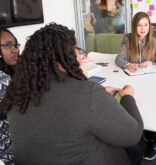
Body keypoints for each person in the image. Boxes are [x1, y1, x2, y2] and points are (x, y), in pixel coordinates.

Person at [0, 23, 144, 165]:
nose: (81, 56)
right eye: (77, 49)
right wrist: (127, 97)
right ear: (66, 55)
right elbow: (133, 134)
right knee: (133, 150)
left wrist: (96, 98)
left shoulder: (15, 92)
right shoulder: (88, 93)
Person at [115, 11, 156, 160]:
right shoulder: (128, 39)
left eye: (146, 25)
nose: (143, 28)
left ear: (149, 26)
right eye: (139, 25)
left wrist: (152, 62)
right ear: (134, 26)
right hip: (133, 81)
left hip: (151, 83)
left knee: (149, 104)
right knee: (133, 103)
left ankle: (152, 139)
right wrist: (129, 65)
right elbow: (118, 59)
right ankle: (135, 132)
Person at [0, 27, 19, 164]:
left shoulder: (10, 71)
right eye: (7, 45)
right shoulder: (3, 80)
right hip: (9, 150)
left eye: (15, 44)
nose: (15, 50)